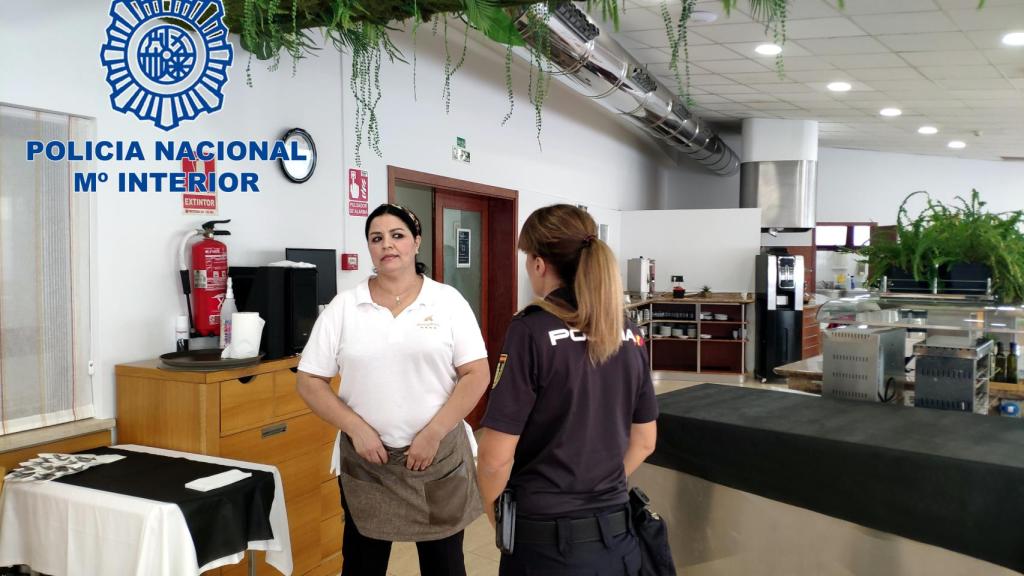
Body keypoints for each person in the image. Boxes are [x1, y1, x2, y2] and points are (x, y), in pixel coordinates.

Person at [297, 203, 490, 576]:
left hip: (437, 459)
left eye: (397, 235)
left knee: (445, 566)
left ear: (416, 243)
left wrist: (434, 433)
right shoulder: (345, 307)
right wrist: (357, 429)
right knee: (362, 565)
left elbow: (476, 374)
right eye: (377, 238)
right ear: (369, 247)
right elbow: (308, 380)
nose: (387, 244)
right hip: (370, 462)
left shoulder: (447, 301)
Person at [476, 204, 659, 575]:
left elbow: (495, 457)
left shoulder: (531, 332)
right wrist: (600, 487)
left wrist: (496, 513)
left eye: (527, 258)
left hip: (547, 544)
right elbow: (644, 441)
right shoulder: (629, 333)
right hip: (617, 537)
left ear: (539, 264)